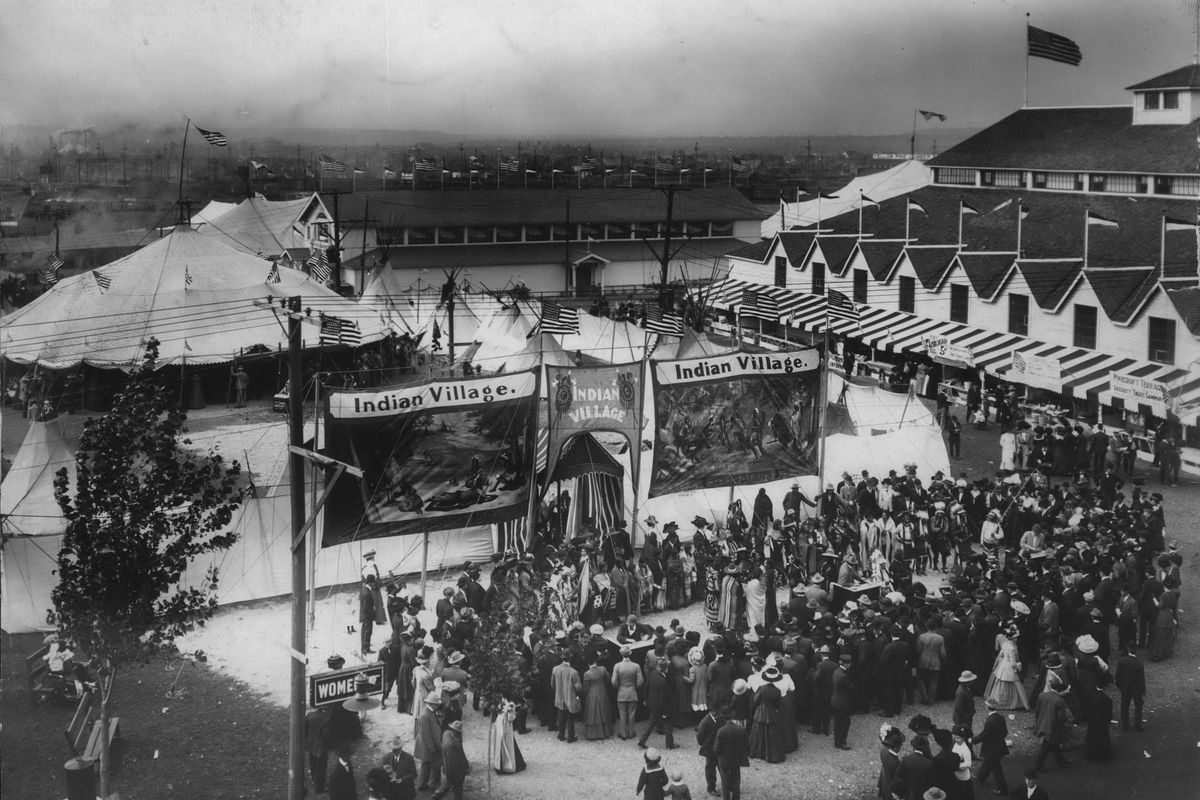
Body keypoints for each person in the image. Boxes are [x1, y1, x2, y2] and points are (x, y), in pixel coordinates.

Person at [1032, 677, 1073, 771]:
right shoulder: (1059, 701)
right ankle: (1038, 766)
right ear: (1059, 688)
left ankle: (1061, 761)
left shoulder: (1041, 695)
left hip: (1043, 723)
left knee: (1054, 745)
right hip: (1053, 728)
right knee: (1046, 747)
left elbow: (1037, 711)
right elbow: (1061, 718)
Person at [983, 626, 1028, 710]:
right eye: (1015, 638)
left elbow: (1001, 654)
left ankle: (1002, 701)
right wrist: (1019, 668)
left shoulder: (1005, 644)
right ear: (1011, 638)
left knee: (1001, 685)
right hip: (1009, 668)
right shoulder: (1011, 648)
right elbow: (1013, 663)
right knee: (1012, 685)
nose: (1017, 640)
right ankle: (1009, 703)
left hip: (1003, 666)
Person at [971, 699, 1009, 796]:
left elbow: (984, 735)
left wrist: (973, 740)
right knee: (988, 762)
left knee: (996, 769)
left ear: (987, 707)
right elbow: (1005, 732)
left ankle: (1002, 788)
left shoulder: (990, 721)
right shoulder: (1001, 718)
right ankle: (981, 777)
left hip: (992, 748)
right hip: (999, 745)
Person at [639, 657, 678, 750]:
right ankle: (669, 745)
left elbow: (646, 687)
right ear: (665, 668)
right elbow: (663, 698)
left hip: (652, 703)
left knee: (651, 723)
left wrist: (645, 699)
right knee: (668, 725)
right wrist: (665, 712)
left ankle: (642, 741)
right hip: (662, 706)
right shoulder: (664, 682)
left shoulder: (652, 674)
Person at [714, 706, 750, 800]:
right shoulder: (741, 729)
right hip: (737, 759)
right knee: (736, 780)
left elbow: (716, 748)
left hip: (724, 760)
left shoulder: (721, 731)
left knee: (725, 782)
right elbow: (747, 744)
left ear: (723, 717)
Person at [613, 644, 644, 739]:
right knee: (631, 714)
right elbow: (640, 682)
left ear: (621, 654)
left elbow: (613, 682)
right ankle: (631, 733)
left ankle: (623, 733)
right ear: (630, 654)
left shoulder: (617, 666)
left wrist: (618, 688)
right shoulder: (636, 666)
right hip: (632, 692)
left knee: (622, 714)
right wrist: (635, 687)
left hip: (621, 693)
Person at [414, 692, 444, 792]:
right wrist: (432, 749)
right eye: (436, 704)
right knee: (434, 764)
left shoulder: (430, 712)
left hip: (428, 746)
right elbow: (426, 735)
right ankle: (433, 784)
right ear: (431, 704)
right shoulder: (424, 716)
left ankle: (422, 785)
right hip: (428, 747)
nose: (438, 705)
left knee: (426, 766)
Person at [1114, 642, 1146, 731]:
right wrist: (1143, 690)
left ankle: (1125, 725)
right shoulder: (1139, 663)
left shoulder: (1121, 662)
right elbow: (1141, 679)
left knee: (1124, 706)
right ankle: (1137, 725)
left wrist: (1119, 686)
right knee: (1138, 707)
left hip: (1125, 688)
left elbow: (1118, 676)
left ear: (1128, 649)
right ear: (1137, 650)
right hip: (1136, 689)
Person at [489, 698, 526, 774]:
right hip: (506, 727)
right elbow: (510, 718)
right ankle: (508, 765)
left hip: (499, 724)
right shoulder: (510, 705)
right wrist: (515, 713)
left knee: (500, 744)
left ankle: (499, 765)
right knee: (508, 745)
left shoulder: (501, 701)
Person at [581, 652, 613, 740]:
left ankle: (594, 734)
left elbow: (585, 687)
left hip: (592, 693)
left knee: (593, 713)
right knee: (603, 710)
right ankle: (606, 731)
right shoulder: (603, 669)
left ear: (588, 663)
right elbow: (608, 679)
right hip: (602, 691)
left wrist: (583, 695)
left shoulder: (587, 674)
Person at [551, 652, 582, 743]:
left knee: (561, 716)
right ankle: (570, 737)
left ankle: (561, 735)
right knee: (570, 718)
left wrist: (557, 692)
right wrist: (578, 696)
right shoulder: (573, 672)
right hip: (570, 697)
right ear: (570, 658)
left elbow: (552, 684)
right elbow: (578, 687)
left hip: (560, 696)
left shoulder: (555, 669)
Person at [435, 719, 468, 800]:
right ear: (455, 731)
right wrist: (457, 775)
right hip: (453, 771)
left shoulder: (446, 733)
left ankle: (437, 795)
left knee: (447, 784)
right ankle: (437, 796)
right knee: (457, 788)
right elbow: (452, 763)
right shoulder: (451, 745)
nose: (459, 734)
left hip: (448, 768)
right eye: (458, 732)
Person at [696, 706, 724, 797]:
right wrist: (706, 745)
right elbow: (699, 737)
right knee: (710, 769)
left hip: (719, 748)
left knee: (722, 766)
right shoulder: (705, 722)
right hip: (710, 749)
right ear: (711, 712)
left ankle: (727, 784)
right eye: (716, 714)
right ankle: (711, 788)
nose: (717, 715)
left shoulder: (719, 718)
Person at [304, 705, 332, 794]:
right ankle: (319, 787)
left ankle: (313, 778)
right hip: (321, 747)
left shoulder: (310, 715)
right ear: (325, 709)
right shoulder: (326, 720)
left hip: (310, 744)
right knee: (321, 767)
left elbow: (305, 729)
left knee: (312, 762)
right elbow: (325, 735)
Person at [1083, 685, 1113, 763]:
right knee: (1103, 737)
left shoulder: (1090, 697)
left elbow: (1086, 708)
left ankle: (1091, 753)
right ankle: (1103, 754)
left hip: (1093, 720)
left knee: (1092, 736)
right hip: (1102, 721)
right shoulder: (1107, 699)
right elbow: (1109, 713)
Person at [382, 736, 418, 800]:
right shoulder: (386, 757)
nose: (393, 751)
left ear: (401, 748)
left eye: (396, 749)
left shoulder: (409, 758)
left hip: (405, 790)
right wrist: (385, 771)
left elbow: (414, 774)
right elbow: (381, 774)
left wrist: (402, 779)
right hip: (391, 790)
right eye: (392, 749)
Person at [831, 653, 855, 750]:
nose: (850, 665)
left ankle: (837, 741)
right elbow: (851, 688)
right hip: (842, 703)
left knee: (837, 722)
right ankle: (841, 742)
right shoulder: (844, 676)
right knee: (845, 722)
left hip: (835, 700)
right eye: (849, 663)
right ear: (846, 664)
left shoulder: (836, 671)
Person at [359, 574, 378, 654]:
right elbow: (367, 607)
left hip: (364, 614)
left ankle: (364, 647)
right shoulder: (367, 592)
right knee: (367, 632)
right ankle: (366, 649)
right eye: (373, 582)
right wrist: (373, 615)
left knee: (364, 631)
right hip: (367, 615)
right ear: (371, 582)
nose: (374, 584)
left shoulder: (363, 589)